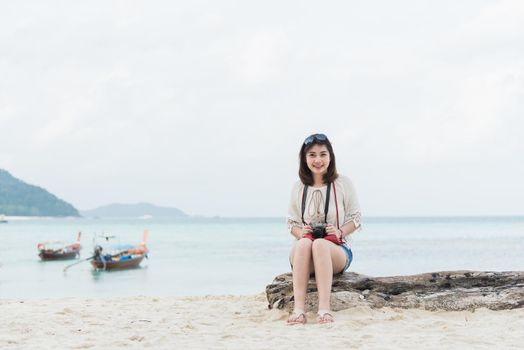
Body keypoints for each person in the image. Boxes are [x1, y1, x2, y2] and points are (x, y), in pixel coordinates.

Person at [286, 133, 362, 324]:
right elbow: (291, 223)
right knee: (304, 243)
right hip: (304, 254)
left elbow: (356, 219)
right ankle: (298, 310)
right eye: (312, 155)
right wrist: (300, 232)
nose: (318, 160)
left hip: (336, 251)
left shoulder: (343, 184)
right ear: (304, 159)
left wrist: (339, 232)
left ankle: (324, 309)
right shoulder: (299, 188)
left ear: (331, 157)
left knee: (319, 244)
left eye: (323, 154)